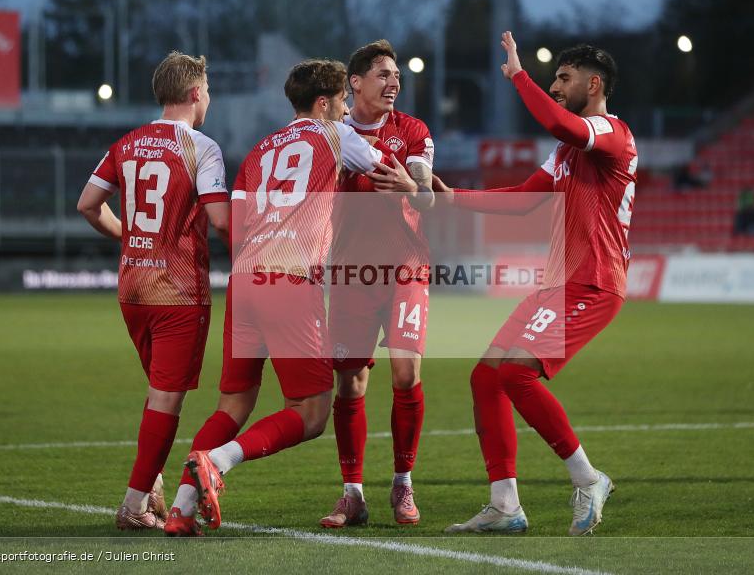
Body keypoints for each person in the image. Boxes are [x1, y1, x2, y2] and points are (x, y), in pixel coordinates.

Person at [165, 59, 415, 536]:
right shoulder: (335, 134)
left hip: (244, 280)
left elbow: (232, 224)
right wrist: (413, 180)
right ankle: (218, 461)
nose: (346, 111)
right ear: (324, 103)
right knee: (313, 411)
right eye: (342, 102)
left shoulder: (259, 150)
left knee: (232, 406)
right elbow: (387, 173)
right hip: (290, 279)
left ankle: (180, 508)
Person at [436, 32, 637, 536]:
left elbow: (555, 120)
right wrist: (452, 197)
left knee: (516, 374)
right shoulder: (566, 155)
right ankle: (505, 505)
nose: (555, 85)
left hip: (593, 282)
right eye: (552, 79)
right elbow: (523, 199)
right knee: (487, 376)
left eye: (563, 79)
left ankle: (588, 478)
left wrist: (517, 76)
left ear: (594, 84)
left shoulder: (613, 133)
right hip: (557, 283)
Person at [76, 51, 230, 530]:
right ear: (193, 94)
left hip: (133, 289)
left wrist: (129, 234)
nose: (208, 99)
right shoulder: (202, 148)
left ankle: (153, 485)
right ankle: (132, 505)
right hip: (179, 292)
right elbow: (222, 219)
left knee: (158, 395)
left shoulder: (128, 142)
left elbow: (87, 204)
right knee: (167, 401)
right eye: (207, 91)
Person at [320, 39, 436, 528]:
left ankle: (403, 485)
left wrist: (414, 188)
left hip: (406, 268)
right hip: (350, 273)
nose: (394, 84)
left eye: (397, 77)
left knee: (406, 374)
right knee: (350, 382)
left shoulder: (412, 130)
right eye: (384, 75)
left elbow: (428, 197)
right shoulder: (330, 135)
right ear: (356, 83)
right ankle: (352, 494)